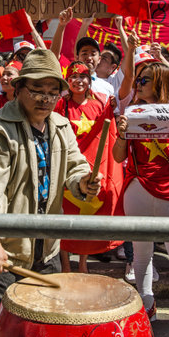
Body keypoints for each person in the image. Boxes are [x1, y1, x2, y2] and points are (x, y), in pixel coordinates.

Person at [0, 48, 102, 337]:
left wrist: (83, 182)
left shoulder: (60, 124)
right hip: (8, 249)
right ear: (18, 90)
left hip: (47, 250)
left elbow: (74, 165)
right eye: (37, 91)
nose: (45, 99)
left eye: (52, 92)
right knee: (2, 331)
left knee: (43, 327)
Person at [113, 60, 169, 321]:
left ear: (160, 82)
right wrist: (121, 135)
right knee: (141, 254)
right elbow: (119, 158)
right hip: (137, 186)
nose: (138, 84)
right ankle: (145, 306)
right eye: (137, 80)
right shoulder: (131, 112)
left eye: (144, 80)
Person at [53, 61, 123, 272]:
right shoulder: (59, 104)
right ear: (67, 80)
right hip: (68, 167)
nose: (78, 81)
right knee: (64, 215)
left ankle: (82, 263)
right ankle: (65, 263)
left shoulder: (101, 103)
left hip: (93, 168)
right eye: (73, 76)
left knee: (87, 214)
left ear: (90, 79)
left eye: (83, 76)